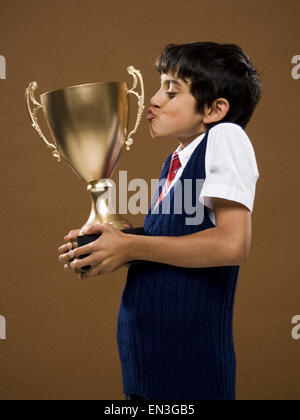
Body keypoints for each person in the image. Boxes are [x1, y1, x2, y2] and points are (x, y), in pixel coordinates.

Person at [58, 42, 262, 400]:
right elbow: (177, 240)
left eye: (171, 91)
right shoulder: (177, 160)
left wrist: (131, 245)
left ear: (215, 109)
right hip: (148, 366)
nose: (153, 99)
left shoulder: (226, 137)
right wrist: (111, 245)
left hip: (187, 371)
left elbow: (232, 243)